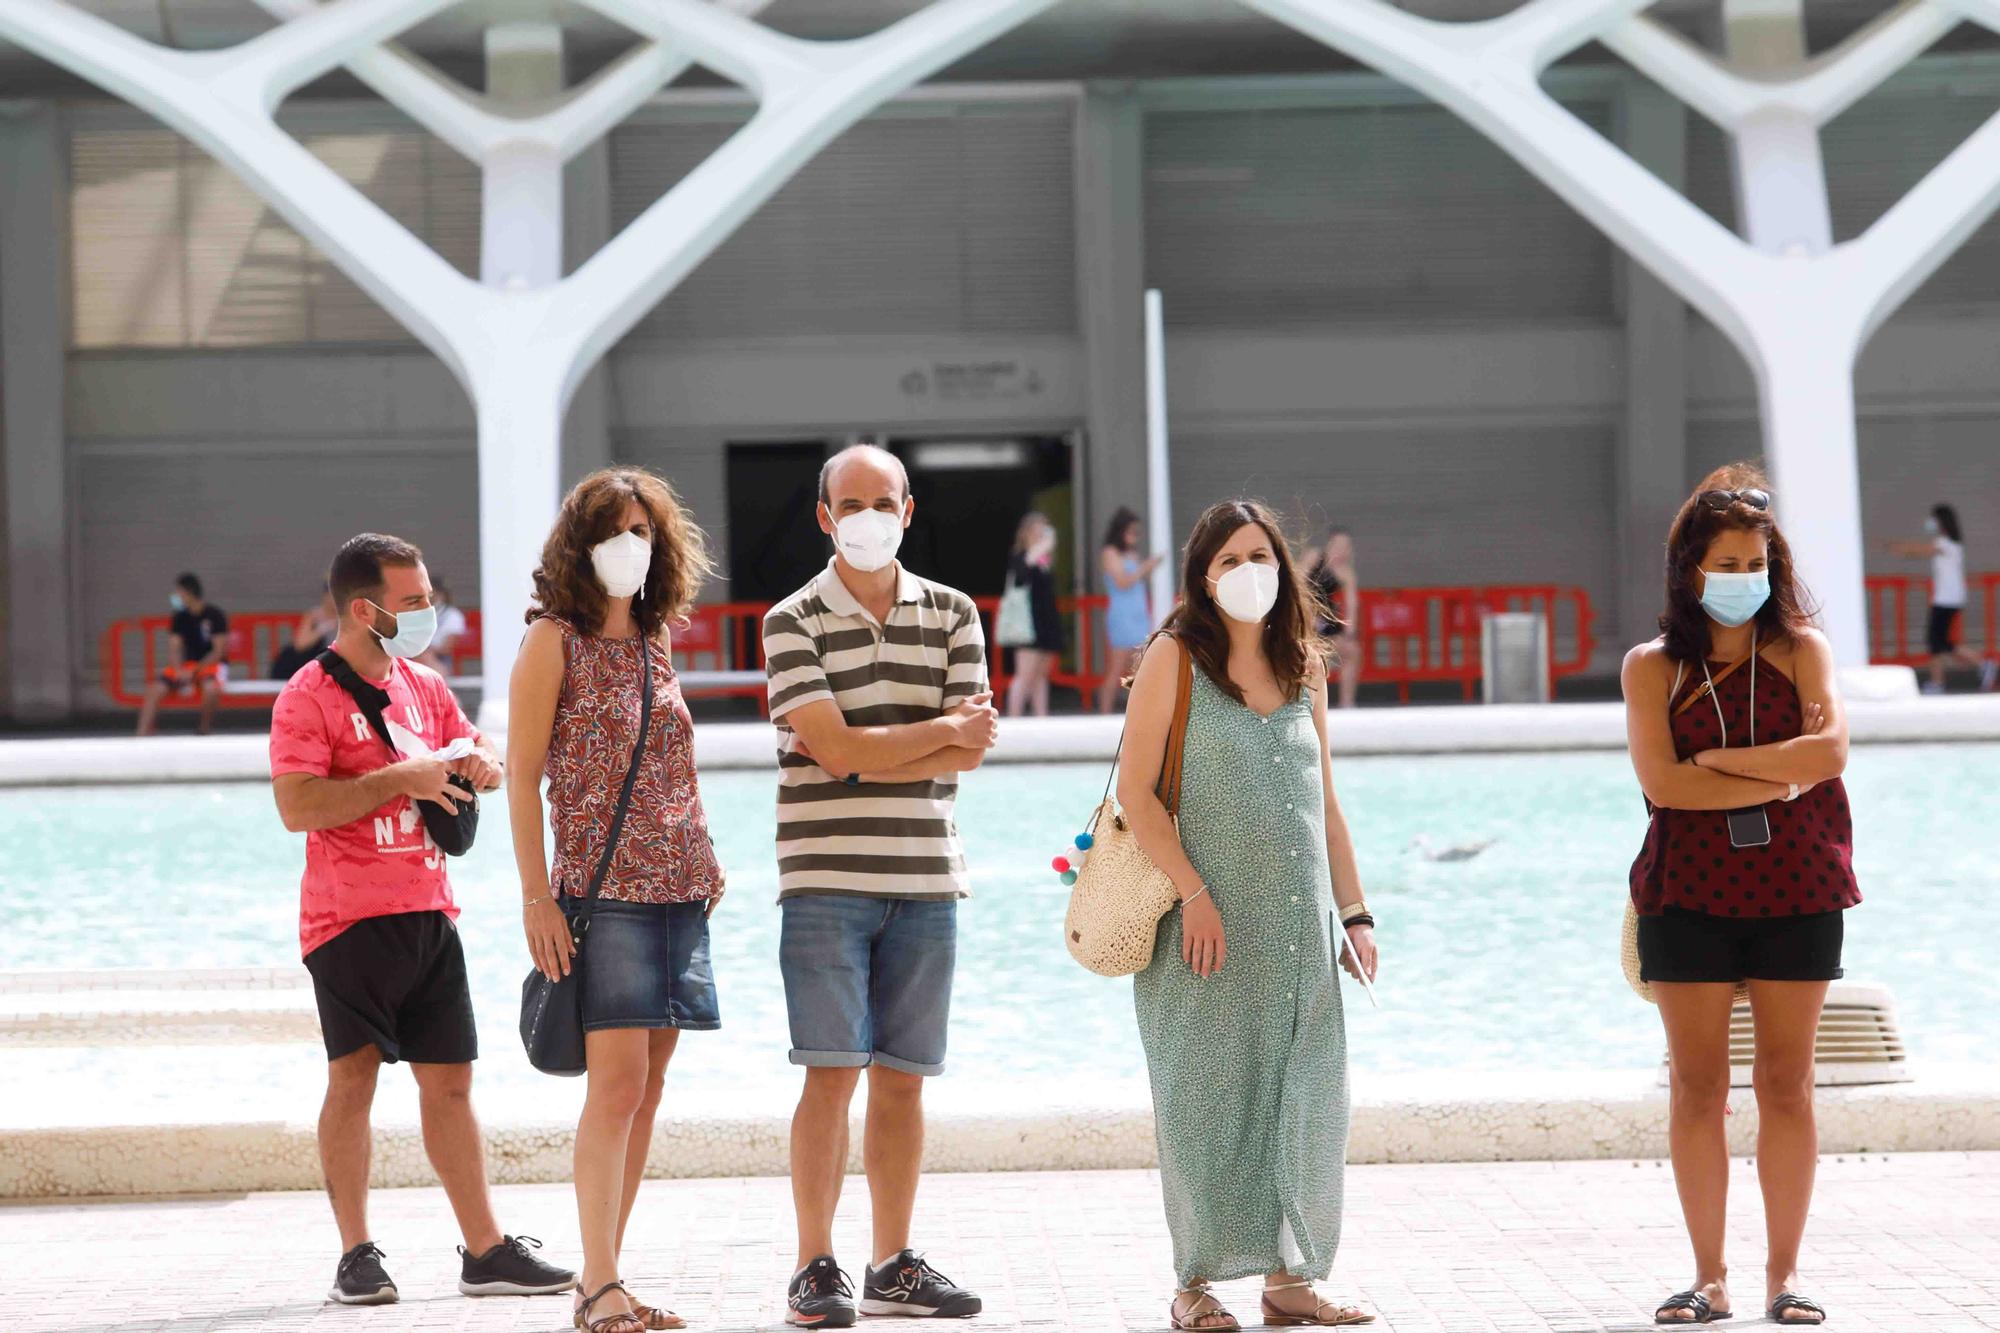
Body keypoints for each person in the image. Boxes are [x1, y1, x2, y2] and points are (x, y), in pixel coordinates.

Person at [269, 532, 577, 1308]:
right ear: (364, 608)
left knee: (453, 1084)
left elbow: (481, 752)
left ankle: (485, 1250)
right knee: (352, 1078)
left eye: (427, 597)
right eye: (412, 602)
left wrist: (483, 761)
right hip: (347, 920)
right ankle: (356, 1252)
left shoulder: (426, 685)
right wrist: (398, 776)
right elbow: (296, 805)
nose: (427, 613)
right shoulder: (307, 694)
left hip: (430, 913)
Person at [1119, 499, 1378, 1331]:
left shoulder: (1305, 662)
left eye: (1259, 554)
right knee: (1206, 1104)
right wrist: (1196, 893)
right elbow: (1136, 792)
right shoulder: (1174, 658)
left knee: (1305, 1099)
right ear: (1203, 575)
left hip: (1300, 932)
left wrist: (1357, 913)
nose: (1246, 571)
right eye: (1228, 559)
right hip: (1202, 930)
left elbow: (1326, 803)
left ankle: (1290, 1277)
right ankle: (1193, 1280)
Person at [759, 444, 1000, 1329]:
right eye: (849, 503)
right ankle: (814, 1263)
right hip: (823, 876)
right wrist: (925, 734)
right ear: (825, 517)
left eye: (882, 501)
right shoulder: (791, 619)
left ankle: (892, 1261)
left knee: (903, 1079)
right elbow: (835, 747)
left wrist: (871, 749)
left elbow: (968, 750)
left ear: (908, 507)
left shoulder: (956, 611)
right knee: (830, 1074)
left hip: (928, 878)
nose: (866, 515)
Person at [1622, 466, 1857, 1327]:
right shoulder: (1653, 668)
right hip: (1687, 890)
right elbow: (1664, 787)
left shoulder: (1803, 650)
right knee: (1696, 1084)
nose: (1740, 579)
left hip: (1800, 884)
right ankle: (1708, 1276)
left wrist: (1721, 763)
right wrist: (1775, 773)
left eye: (1753, 561)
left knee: (1788, 1083)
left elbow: (1829, 753)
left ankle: (1784, 1276)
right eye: (1723, 563)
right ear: (1690, 567)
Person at [509, 470, 727, 1333]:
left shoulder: (654, 637)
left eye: (643, 529)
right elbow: (521, 780)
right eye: (614, 529)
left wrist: (707, 861)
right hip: (606, 895)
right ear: (580, 544)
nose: (630, 543)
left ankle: (607, 1276)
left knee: (650, 1086)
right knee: (617, 1086)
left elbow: (671, 763)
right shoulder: (550, 641)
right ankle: (598, 1283)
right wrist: (537, 898)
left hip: (681, 888)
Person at [1885, 504, 1994, 694]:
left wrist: (1899, 548)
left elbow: (1920, 550)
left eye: (1933, 519)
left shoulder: (1945, 544)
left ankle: (1942, 680)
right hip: (1949, 599)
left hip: (1945, 600)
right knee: (1941, 642)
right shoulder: (1952, 543)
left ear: (1941, 521)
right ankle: (1979, 665)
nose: (1930, 522)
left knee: (1935, 642)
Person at [136, 572, 229, 735]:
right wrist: (179, 670)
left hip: (210, 666)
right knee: (154, 689)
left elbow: (218, 651)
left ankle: (204, 728)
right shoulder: (179, 617)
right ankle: (142, 732)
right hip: (186, 666)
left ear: (189, 592)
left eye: (178, 592)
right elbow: (174, 648)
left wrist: (195, 670)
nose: (175, 597)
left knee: (210, 689)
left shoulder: (215, 615)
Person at [1097, 506, 1162, 714]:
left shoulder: (1132, 554)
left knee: (1139, 666)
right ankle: (1104, 712)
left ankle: (1136, 713)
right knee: (1117, 666)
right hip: (1122, 614)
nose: (1134, 536)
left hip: (1138, 612)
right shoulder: (1110, 553)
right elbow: (1122, 581)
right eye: (1131, 531)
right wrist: (1146, 567)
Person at [1002, 511, 1065, 717]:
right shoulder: (1021, 556)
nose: (1042, 534)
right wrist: (1042, 547)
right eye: (1038, 529)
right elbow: (1021, 575)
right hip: (1027, 622)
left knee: (1041, 675)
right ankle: (1014, 716)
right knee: (1025, 674)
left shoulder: (1044, 561)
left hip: (1045, 620)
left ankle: (1041, 717)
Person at [1303, 527, 1361, 709]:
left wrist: (1350, 629)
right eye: (1338, 546)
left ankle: (1347, 703)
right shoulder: (1314, 557)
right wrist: (1307, 614)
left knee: (1352, 651)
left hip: (1327, 617)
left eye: (1346, 547)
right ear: (1330, 545)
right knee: (1313, 659)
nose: (1341, 551)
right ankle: (1310, 704)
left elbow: (1352, 603)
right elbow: (1297, 583)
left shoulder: (1345, 572)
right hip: (1306, 613)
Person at [273, 585, 338, 681]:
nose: (332, 600)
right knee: (288, 656)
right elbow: (300, 645)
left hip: (333, 663)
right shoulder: (314, 615)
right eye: (329, 595)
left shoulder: (346, 617)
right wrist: (322, 629)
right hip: (311, 661)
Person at [419, 579, 469, 676]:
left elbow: (448, 647)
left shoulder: (453, 615)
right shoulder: (417, 615)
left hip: (440, 658)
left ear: (442, 595)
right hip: (415, 656)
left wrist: (428, 650)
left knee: (425, 656)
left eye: (431, 594)